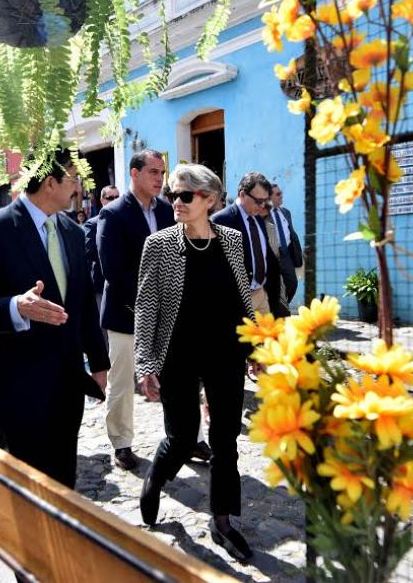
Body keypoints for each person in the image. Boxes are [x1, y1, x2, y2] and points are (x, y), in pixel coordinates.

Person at [0, 154, 109, 488]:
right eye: (72, 179)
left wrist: (99, 361)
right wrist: (14, 307)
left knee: (63, 482)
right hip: (17, 387)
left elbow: (82, 304)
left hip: (67, 385)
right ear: (50, 182)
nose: (78, 188)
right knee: (26, 487)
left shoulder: (71, 230)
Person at [136, 164, 255, 561]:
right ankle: (156, 475)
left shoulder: (233, 241)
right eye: (172, 195)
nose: (176, 202)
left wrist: (256, 347)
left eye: (185, 195)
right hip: (178, 354)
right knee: (184, 436)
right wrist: (145, 363)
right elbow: (147, 306)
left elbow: (242, 297)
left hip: (225, 353)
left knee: (225, 440)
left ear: (209, 199)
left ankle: (222, 521)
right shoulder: (159, 244)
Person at [97, 150, 175, 471]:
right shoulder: (113, 214)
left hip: (166, 316)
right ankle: (122, 443)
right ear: (134, 173)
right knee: (123, 383)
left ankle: (188, 436)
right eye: (153, 172)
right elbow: (112, 269)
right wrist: (150, 300)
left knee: (176, 378)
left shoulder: (169, 211)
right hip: (125, 313)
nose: (159, 178)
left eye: (162, 172)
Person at [211, 171, 289, 317]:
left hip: (262, 295)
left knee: (266, 339)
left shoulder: (257, 218)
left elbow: (267, 256)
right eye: (259, 201)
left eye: (266, 201)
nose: (262, 206)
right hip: (239, 302)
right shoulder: (221, 221)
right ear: (242, 195)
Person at [83, 185, 119, 312]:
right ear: (103, 200)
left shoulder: (124, 222)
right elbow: (89, 251)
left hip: (123, 284)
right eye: (110, 198)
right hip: (101, 283)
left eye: (117, 197)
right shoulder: (92, 224)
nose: (114, 201)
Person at [269, 183, 303, 302]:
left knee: (292, 283)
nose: (281, 196)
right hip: (272, 253)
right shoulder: (263, 214)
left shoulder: (285, 212)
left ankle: (283, 306)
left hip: (286, 252)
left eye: (281, 193)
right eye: (278, 194)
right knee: (273, 285)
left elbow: (290, 231)